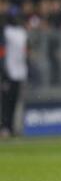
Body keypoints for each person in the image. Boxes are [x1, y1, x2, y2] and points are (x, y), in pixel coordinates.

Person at [0, 10, 28, 139]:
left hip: (17, 72)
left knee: (12, 102)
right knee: (7, 102)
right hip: (10, 71)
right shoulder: (13, 32)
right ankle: (6, 127)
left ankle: (10, 128)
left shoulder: (14, 32)